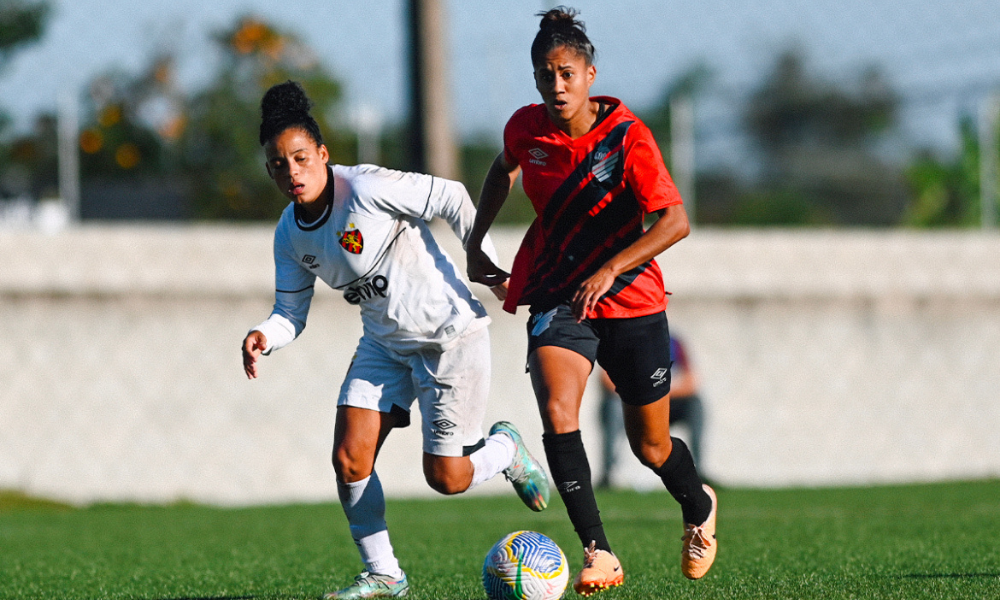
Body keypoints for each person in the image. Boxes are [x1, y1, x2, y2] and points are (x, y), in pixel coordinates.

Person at [241, 80, 549, 600]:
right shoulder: (289, 234)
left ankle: (505, 450)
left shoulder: (362, 188)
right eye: (277, 165)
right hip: (384, 344)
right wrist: (263, 336)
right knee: (349, 458)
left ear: (322, 154)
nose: (291, 172)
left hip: (450, 336)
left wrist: (483, 259)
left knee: (447, 478)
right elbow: (291, 312)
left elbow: (450, 195)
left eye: (300, 158)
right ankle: (385, 574)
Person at [465, 7, 717, 594]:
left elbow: (674, 221)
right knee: (559, 411)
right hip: (559, 292)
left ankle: (698, 503)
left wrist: (611, 266)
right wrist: (479, 239)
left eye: (567, 74)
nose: (557, 85)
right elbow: (502, 171)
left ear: (590, 75)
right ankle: (599, 551)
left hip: (632, 301)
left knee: (651, 446)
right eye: (546, 74)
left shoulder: (629, 137)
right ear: (535, 79)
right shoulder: (525, 129)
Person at [598, 334, 707, 489]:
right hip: (629, 402)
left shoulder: (673, 343)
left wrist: (657, 394)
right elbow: (605, 380)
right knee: (612, 406)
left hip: (664, 402)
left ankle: (699, 470)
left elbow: (691, 382)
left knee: (695, 404)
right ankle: (608, 474)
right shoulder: (621, 338)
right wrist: (640, 395)